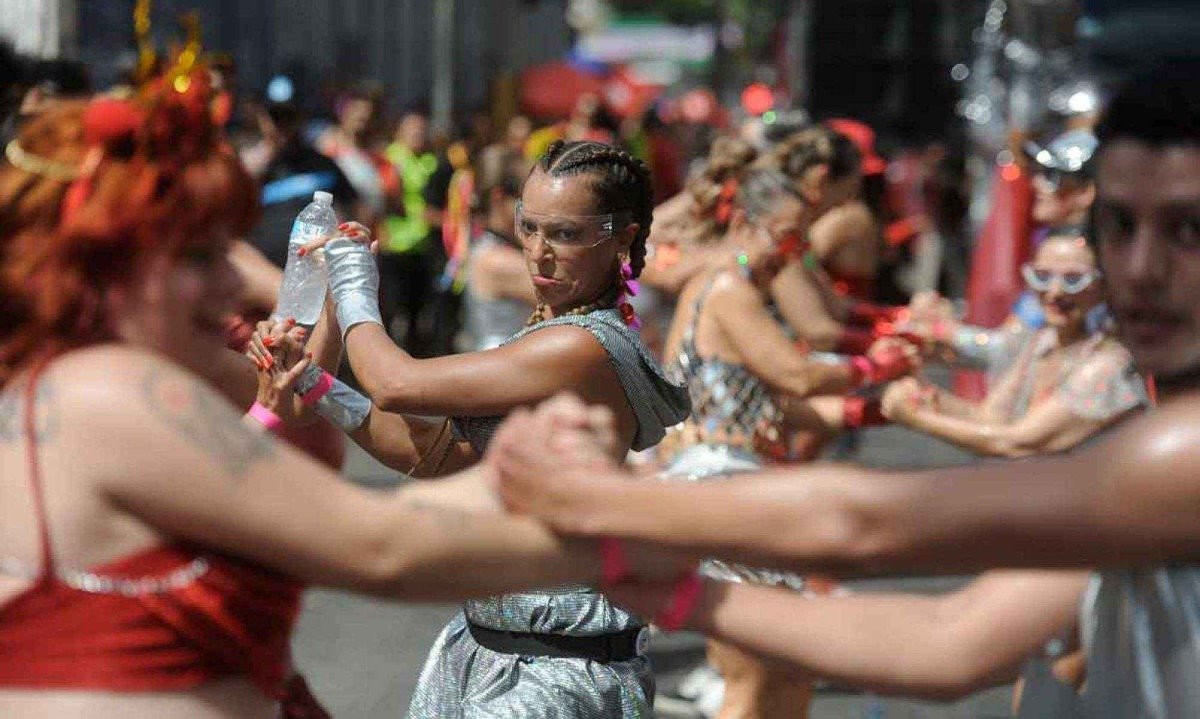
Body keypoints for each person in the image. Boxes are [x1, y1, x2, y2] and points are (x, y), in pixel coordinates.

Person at [492, 62, 1200, 719]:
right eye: (1120, 225)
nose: (1138, 269)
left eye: (1187, 229)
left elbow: (868, 523)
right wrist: (667, 581)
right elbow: (948, 639)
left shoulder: (1175, 448)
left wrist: (610, 513)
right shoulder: (736, 280)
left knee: (774, 685)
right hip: (720, 475)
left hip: (724, 481)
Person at [0, 66, 687, 719]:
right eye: (202, 258)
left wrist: (321, 352)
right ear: (102, 264)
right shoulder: (108, 393)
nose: (230, 283)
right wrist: (636, 519)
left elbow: (296, 411)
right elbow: (382, 542)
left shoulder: (104, 383)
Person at [288, 139, 691, 717]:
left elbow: (397, 384)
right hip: (480, 649)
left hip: (560, 676)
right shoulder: (548, 331)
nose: (539, 253)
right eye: (529, 228)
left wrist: (354, 281)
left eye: (566, 234)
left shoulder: (584, 345)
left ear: (622, 238)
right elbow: (436, 457)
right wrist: (313, 382)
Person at [883, 228, 1146, 457]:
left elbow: (1018, 443)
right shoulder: (1042, 341)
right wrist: (920, 391)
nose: (1054, 292)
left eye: (1073, 280)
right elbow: (991, 419)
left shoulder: (1107, 366)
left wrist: (917, 419)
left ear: (1104, 287)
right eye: (1042, 276)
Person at [242, 100, 358, 268]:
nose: (282, 126)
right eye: (276, 118)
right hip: (263, 266)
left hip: (312, 269)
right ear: (263, 121)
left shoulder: (322, 164)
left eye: (288, 118)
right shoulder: (250, 165)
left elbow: (352, 207)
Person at [381, 111, 440, 353]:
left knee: (419, 314)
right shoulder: (390, 159)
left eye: (422, 129)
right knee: (392, 311)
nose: (418, 134)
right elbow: (389, 199)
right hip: (395, 246)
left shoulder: (431, 160)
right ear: (400, 132)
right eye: (413, 129)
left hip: (423, 246)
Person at [461, 163, 536, 350]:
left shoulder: (491, 247)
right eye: (527, 196)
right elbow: (573, 301)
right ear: (499, 196)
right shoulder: (495, 260)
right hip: (501, 368)